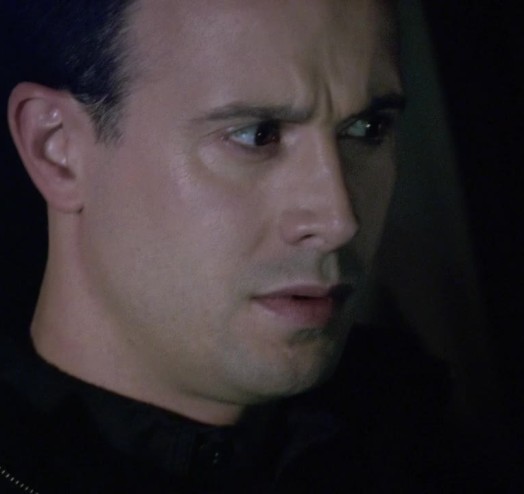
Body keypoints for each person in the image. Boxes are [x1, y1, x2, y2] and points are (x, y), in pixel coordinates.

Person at [0, 0, 482, 491]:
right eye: (256, 135)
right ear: (56, 148)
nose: (340, 220)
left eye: (367, 129)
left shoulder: (419, 436)